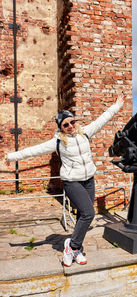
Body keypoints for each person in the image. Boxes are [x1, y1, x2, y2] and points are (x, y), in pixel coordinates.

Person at [6, 95, 124, 267]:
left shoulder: (85, 133)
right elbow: (34, 150)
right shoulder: (58, 142)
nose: (70, 126)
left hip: (88, 180)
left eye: (72, 122)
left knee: (82, 216)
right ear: (61, 127)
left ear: (75, 122)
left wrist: (117, 106)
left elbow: (101, 120)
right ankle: (72, 246)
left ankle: (76, 249)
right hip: (72, 182)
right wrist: (12, 156)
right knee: (89, 213)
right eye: (65, 125)